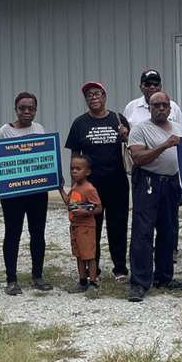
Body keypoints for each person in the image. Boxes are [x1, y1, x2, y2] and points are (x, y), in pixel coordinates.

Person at [0, 92, 52, 295]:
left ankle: (37, 276)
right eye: (22, 108)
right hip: (13, 193)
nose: (27, 112)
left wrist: (53, 175)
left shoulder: (39, 129)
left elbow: (44, 157)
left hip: (37, 191)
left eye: (31, 108)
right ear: (16, 109)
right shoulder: (5, 131)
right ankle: (11, 279)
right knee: (13, 233)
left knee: (38, 233)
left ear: (36, 110)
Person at [65, 82, 131, 282]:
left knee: (118, 225)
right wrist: (75, 184)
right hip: (90, 186)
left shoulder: (118, 119)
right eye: (89, 95)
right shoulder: (79, 123)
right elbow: (75, 155)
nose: (94, 97)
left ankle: (120, 268)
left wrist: (126, 134)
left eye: (97, 93)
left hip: (117, 181)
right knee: (91, 225)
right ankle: (94, 266)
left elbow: (131, 143)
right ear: (86, 100)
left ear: (105, 96)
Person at [127, 92, 182, 302]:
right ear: (150, 108)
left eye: (165, 105)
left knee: (168, 232)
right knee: (143, 233)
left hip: (170, 183)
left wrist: (181, 187)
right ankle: (139, 282)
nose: (161, 108)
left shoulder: (178, 128)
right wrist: (164, 145)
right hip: (148, 183)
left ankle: (164, 277)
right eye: (156, 105)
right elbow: (138, 158)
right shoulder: (140, 129)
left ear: (170, 109)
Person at [59, 155, 103, 294]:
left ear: (87, 172)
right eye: (72, 168)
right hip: (74, 226)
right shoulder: (75, 186)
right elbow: (68, 202)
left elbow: (98, 208)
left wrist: (83, 212)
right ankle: (82, 280)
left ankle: (93, 281)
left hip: (86, 227)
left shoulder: (89, 189)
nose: (74, 172)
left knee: (89, 255)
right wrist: (61, 189)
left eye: (78, 169)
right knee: (78, 255)